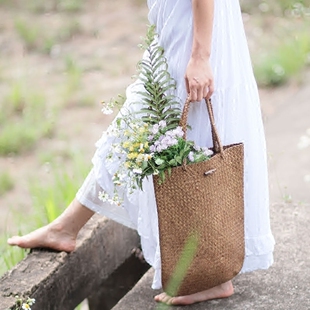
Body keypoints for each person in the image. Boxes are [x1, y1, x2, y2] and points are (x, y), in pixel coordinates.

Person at [7, 0, 275, 306]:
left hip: (192, 33)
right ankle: (66, 228)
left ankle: (212, 273)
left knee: (172, 128)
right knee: (141, 127)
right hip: (179, 25)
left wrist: (200, 56)